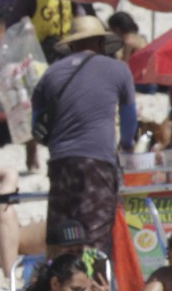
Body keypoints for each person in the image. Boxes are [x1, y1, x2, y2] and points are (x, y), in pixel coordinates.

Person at [31, 15, 136, 262]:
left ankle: (57, 288)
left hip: (59, 164)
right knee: (94, 239)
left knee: (61, 237)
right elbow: (129, 122)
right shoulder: (118, 70)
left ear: (71, 44)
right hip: (95, 164)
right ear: (101, 42)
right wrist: (127, 146)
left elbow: (36, 126)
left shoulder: (50, 74)